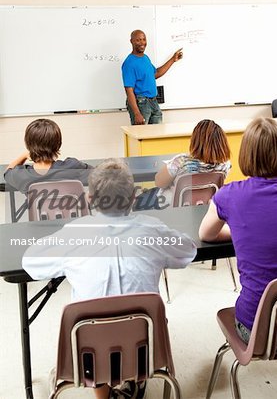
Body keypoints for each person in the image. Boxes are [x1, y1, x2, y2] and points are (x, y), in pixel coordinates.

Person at [23, 159, 197, 399]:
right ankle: (134, 379)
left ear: (90, 199)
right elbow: (188, 250)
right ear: (134, 197)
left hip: (88, 357)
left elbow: (30, 262)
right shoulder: (153, 230)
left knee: (95, 327)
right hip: (147, 352)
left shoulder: (74, 233)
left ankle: (103, 391)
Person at [199, 117, 277, 396]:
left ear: (246, 154)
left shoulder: (229, 195)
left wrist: (245, 232)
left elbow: (206, 234)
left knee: (267, 309)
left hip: (258, 331)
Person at [134, 119, 231, 210]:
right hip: (206, 206)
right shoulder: (224, 165)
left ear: (195, 141)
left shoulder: (181, 161)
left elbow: (159, 183)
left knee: (139, 200)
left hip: (172, 204)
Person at [4, 118, 92, 194]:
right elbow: (97, 174)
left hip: (40, 214)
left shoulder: (22, 175)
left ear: (28, 144)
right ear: (58, 143)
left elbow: (7, 172)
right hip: (73, 212)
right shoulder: (72, 166)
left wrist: (24, 155)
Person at [121, 29, 182, 125]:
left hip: (153, 101)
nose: (142, 43)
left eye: (144, 39)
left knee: (156, 135)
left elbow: (156, 73)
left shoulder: (145, 58)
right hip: (141, 104)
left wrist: (173, 59)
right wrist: (137, 113)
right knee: (142, 136)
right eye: (138, 40)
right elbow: (129, 91)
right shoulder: (129, 63)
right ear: (131, 41)